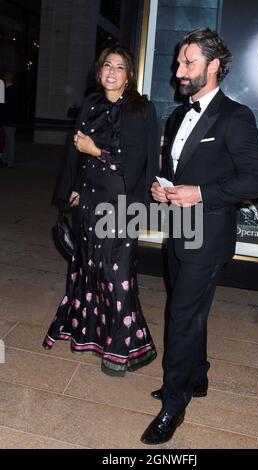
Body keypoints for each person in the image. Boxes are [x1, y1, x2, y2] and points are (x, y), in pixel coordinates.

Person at [141, 28, 258, 444]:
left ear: (214, 66)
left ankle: (174, 404)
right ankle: (197, 377)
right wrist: (164, 189)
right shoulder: (179, 115)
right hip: (180, 230)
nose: (179, 71)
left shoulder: (235, 117)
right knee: (188, 311)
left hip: (209, 236)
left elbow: (257, 180)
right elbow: (181, 174)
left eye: (188, 62)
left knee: (181, 317)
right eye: (179, 62)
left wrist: (201, 194)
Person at [43, 45, 159, 376]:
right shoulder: (91, 104)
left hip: (122, 202)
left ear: (129, 75)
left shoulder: (140, 110)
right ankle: (90, 335)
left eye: (119, 67)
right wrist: (75, 188)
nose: (111, 72)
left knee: (116, 274)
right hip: (91, 200)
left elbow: (136, 165)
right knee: (88, 269)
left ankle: (124, 349)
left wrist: (96, 150)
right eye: (107, 65)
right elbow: (76, 156)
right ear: (99, 71)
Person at [0, 71, 17, 169]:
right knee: (8, 140)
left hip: (9, 119)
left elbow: (4, 107)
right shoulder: (12, 89)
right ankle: (5, 159)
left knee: (10, 140)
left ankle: (10, 162)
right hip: (11, 118)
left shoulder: (9, 90)